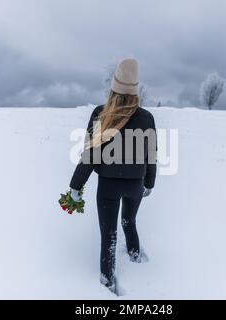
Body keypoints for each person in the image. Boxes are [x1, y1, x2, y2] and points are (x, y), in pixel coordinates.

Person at [69, 58, 157, 295]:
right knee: (129, 221)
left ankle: (107, 281)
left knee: (108, 235)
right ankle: (135, 256)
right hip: (135, 185)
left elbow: (90, 155)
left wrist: (76, 186)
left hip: (107, 187)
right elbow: (151, 156)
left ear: (114, 88)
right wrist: (149, 182)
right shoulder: (147, 118)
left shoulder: (101, 114)